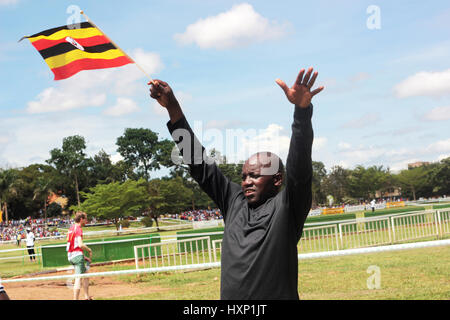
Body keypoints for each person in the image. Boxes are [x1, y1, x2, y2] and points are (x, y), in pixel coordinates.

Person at [149, 67, 324, 300]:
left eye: (254, 176)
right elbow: (199, 164)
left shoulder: (288, 206)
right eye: (243, 177)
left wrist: (301, 112)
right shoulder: (234, 202)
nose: (246, 182)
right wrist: (173, 107)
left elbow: (300, 167)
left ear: (277, 180)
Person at [66, 211, 93, 300]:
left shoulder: (71, 228)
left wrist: (83, 257)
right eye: (85, 219)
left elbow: (71, 245)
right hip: (77, 256)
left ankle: (86, 297)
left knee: (85, 275)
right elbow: (80, 245)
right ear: (81, 219)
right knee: (78, 278)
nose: (86, 221)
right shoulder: (78, 229)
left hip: (71, 256)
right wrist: (89, 250)